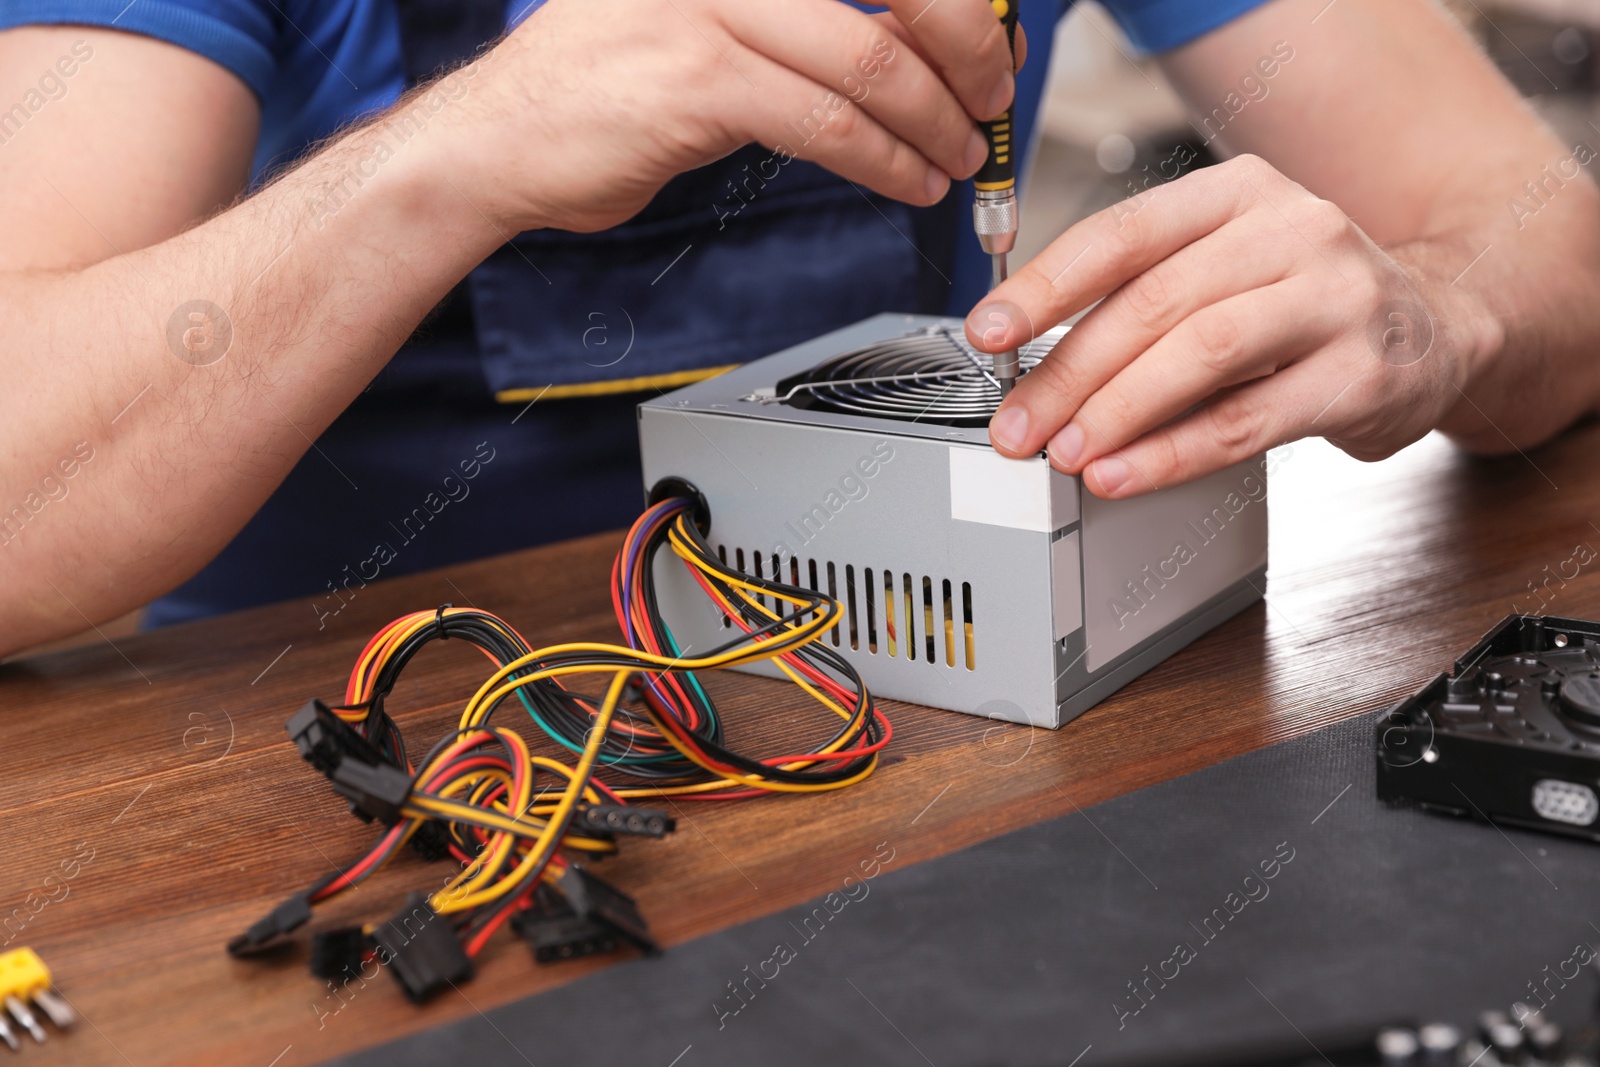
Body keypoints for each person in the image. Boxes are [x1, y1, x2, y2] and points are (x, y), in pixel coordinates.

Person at [0, 0, 1593, 658]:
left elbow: (1555, 251)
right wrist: (450, 157)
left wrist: (1437, 315)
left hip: (917, 693)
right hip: (349, 739)